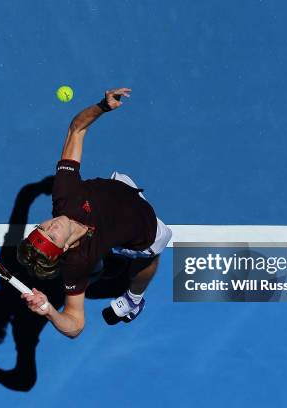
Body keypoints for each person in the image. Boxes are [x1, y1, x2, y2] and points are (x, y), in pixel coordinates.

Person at [17, 88, 172, 338]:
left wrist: (103, 106)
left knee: (98, 254)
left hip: (124, 189)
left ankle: (103, 263)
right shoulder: (77, 263)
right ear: (64, 249)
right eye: (52, 236)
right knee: (150, 257)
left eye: (42, 228)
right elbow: (75, 325)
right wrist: (49, 311)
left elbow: (76, 129)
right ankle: (134, 299)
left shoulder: (65, 193)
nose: (52, 226)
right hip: (142, 232)